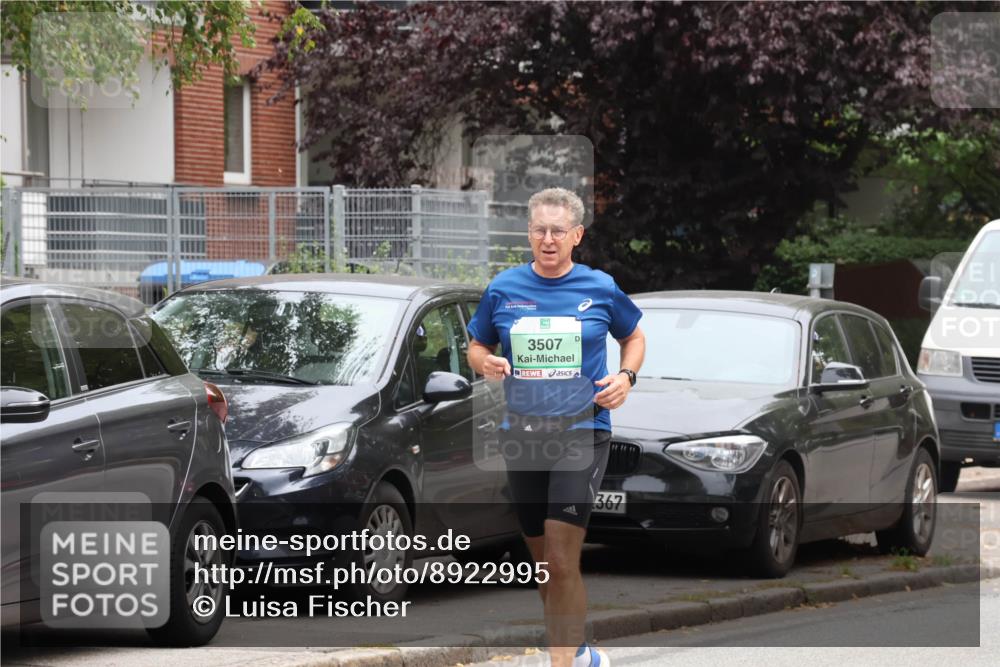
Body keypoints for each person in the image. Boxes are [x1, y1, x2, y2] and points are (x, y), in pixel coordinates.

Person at [466, 187, 645, 667]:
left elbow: (633, 335)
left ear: (576, 236)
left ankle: (560, 663)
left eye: (558, 231)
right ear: (529, 233)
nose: (548, 239)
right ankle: (579, 651)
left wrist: (626, 377)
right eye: (540, 230)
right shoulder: (503, 288)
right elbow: (476, 345)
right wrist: (486, 363)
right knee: (545, 565)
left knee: (564, 559)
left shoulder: (600, 287)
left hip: (582, 430)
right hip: (522, 434)